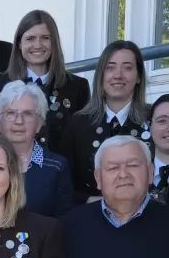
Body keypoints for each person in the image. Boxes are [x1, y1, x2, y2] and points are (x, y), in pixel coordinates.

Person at [61, 40, 150, 202]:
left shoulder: (156, 119)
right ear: (100, 75)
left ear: (138, 77)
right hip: (90, 218)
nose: (118, 75)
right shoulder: (77, 123)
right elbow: (64, 185)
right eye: (110, 67)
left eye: (128, 67)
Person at [0, 10, 89, 151]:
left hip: (62, 170)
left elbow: (80, 140)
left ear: (54, 43)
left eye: (45, 38)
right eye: (30, 38)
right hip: (13, 169)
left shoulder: (77, 87)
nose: (38, 45)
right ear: (19, 43)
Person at [0, 80, 74, 217]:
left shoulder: (57, 167)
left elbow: (64, 222)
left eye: (28, 114)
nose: (19, 121)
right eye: (11, 113)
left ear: (39, 123)